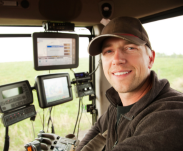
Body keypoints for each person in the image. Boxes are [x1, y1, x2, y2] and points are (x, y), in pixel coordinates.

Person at [76, 16, 183, 151]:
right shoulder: (117, 103)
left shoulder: (170, 117)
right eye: (109, 51)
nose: (117, 59)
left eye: (130, 48)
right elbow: (98, 129)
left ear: (150, 58)